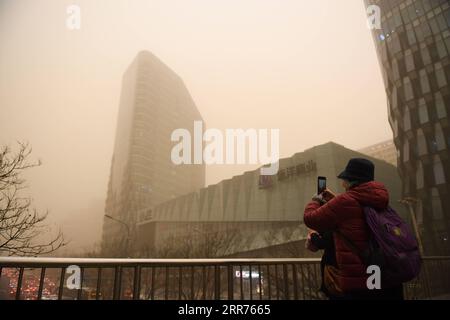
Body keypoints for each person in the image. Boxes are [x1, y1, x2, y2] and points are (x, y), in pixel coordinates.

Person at [303, 158, 404, 300]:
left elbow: (310, 218)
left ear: (350, 180)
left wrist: (316, 200)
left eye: (344, 179)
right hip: (386, 277)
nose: (342, 183)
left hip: (360, 282)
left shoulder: (345, 202)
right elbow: (356, 215)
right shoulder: (379, 200)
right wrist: (335, 200)